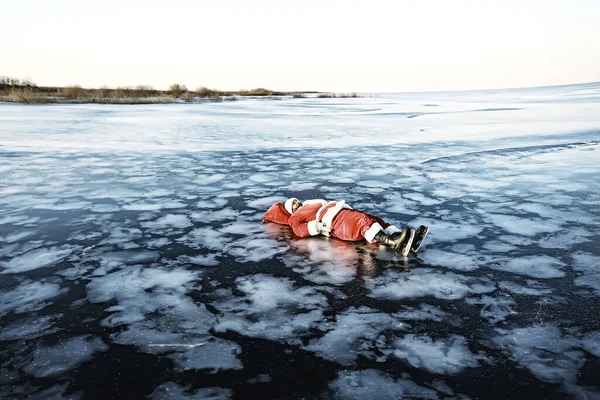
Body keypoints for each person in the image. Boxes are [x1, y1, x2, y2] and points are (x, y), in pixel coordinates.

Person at [262, 197, 428, 256]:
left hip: (338, 213)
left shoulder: (308, 205)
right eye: (293, 206)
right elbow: (299, 229)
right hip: (333, 222)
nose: (297, 205)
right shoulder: (295, 218)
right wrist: (316, 226)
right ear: (290, 211)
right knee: (362, 222)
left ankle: (405, 239)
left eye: (296, 202)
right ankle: (394, 242)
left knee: (373, 219)